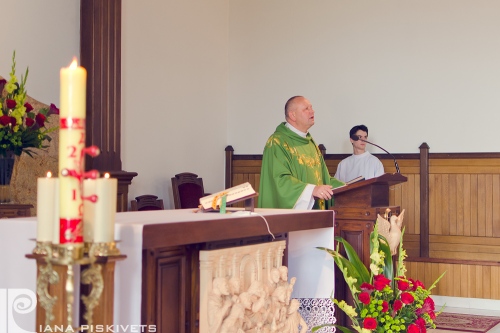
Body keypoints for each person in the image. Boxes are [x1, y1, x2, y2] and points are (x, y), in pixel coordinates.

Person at [258, 96, 344, 210]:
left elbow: (323, 179)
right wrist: (312, 190)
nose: (312, 111)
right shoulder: (277, 142)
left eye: (311, 107)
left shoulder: (310, 142)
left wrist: (349, 189)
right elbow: (279, 181)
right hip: (289, 220)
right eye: (306, 109)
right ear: (292, 115)